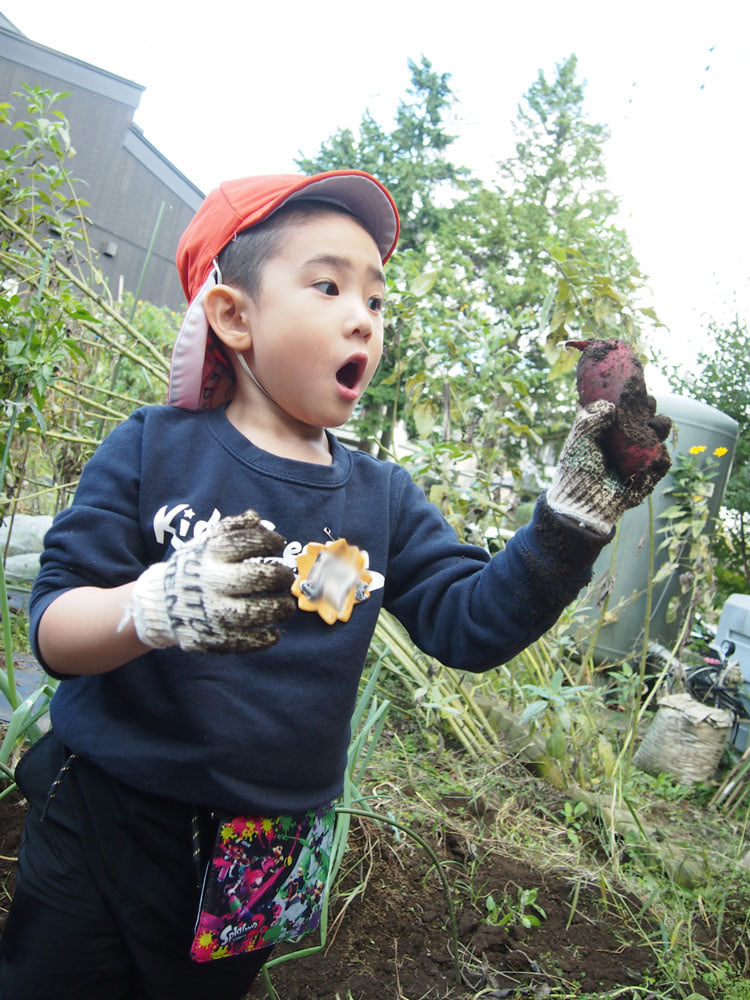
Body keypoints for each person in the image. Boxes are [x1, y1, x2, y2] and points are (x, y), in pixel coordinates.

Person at [0, 169, 668, 999]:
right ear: (235, 317)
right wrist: (152, 607)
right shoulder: (152, 449)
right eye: (327, 285)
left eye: (377, 301)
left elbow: (471, 625)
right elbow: (56, 625)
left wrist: (569, 524)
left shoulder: (381, 498)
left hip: (265, 848)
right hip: (104, 811)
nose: (364, 315)